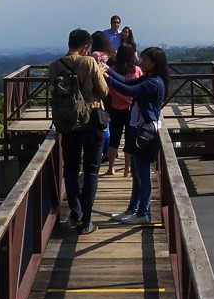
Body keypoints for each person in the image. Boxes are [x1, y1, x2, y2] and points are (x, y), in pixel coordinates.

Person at [49, 28, 109, 235]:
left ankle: (76, 213)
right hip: (92, 122)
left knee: (71, 170)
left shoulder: (55, 66)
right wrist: (100, 74)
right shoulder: (89, 62)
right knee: (91, 173)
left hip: (68, 124)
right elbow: (104, 91)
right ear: (85, 47)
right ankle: (86, 222)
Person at [105, 46, 169, 224]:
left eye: (145, 60)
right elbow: (127, 82)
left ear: (154, 63)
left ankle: (143, 213)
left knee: (142, 173)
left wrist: (106, 77)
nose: (142, 62)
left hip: (146, 131)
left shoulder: (153, 82)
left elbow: (129, 91)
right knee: (137, 174)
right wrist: (108, 70)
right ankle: (133, 209)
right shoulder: (149, 78)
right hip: (138, 129)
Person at [106, 43, 141, 176]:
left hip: (116, 108)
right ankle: (128, 169)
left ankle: (111, 168)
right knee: (129, 139)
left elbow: (109, 89)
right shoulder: (136, 70)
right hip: (132, 109)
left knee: (114, 138)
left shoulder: (113, 70)